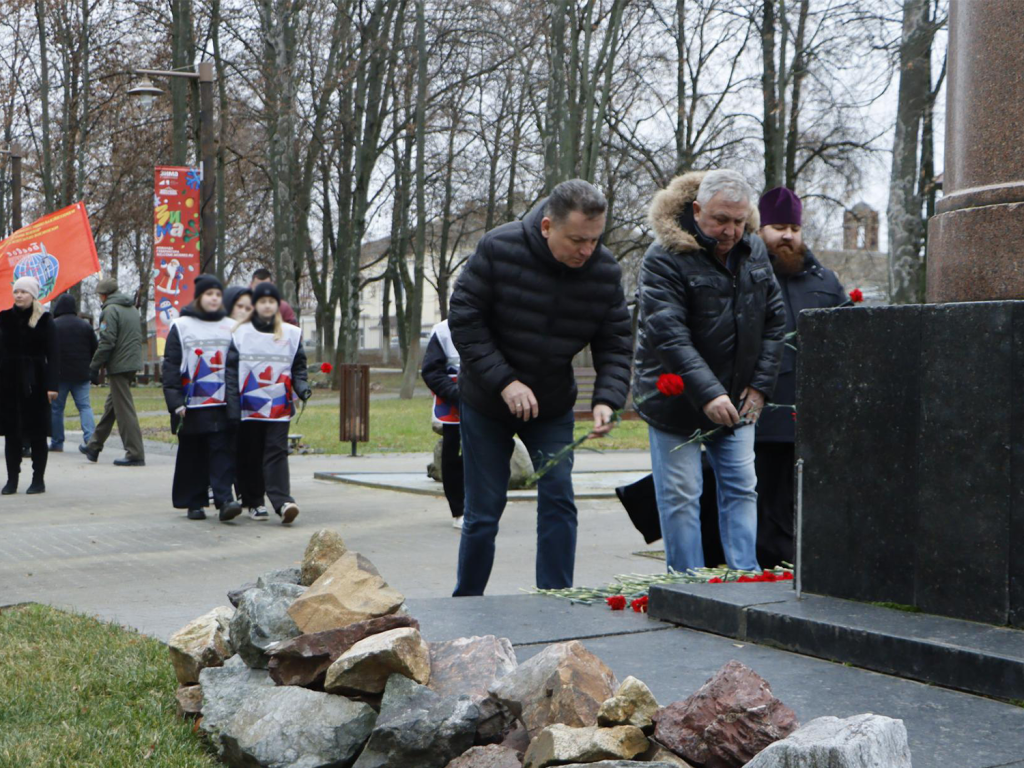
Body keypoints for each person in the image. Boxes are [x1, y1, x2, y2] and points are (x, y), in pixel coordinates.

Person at [448, 178, 632, 596]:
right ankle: (467, 600)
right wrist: (505, 381)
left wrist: (607, 398)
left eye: (594, 239)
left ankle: (555, 599)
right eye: (577, 240)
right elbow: (465, 318)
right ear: (548, 226)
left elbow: (616, 342)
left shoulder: (603, 271)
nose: (587, 250)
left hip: (549, 404)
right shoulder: (499, 248)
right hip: (488, 401)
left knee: (559, 498)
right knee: (484, 509)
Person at [634, 169, 786, 573]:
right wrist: (708, 393)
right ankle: (687, 583)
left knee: (742, 487)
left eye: (739, 221)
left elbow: (775, 321)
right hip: (677, 399)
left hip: (739, 396)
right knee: (682, 494)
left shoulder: (754, 250)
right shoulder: (664, 257)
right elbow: (669, 336)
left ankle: (743, 577)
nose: (731, 231)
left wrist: (760, 386)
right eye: (720, 220)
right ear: (697, 210)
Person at [754, 187, 849, 567]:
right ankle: (765, 572)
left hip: (814, 415)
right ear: (760, 229)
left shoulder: (824, 280)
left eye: (793, 226)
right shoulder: (748, 274)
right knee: (767, 501)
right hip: (764, 414)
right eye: (778, 226)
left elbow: (849, 336)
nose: (788, 236)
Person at [225, 282, 310, 524]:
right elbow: (231, 372)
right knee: (250, 454)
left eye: (272, 301)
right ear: (255, 305)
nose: (267, 305)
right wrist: (232, 405)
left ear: (277, 305)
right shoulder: (240, 333)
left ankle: (283, 501)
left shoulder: (291, 334)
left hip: (279, 407)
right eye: (262, 301)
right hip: (248, 408)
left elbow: (298, 366)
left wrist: (301, 387)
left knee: (277, 452)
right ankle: (254, 501)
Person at [162, 275, 243, 522]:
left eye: (218, 294)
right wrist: (175, 402)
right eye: (209, 294)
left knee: (221, 450)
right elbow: (171, 366)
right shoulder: (181, 325)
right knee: (193, 453)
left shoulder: (231, 325)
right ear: (199, 297)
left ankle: (224, 500)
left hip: (222, 401)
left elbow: (239, 363)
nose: (214, 298)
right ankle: (194, 502)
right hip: (192, 403)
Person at [0, 277, 59, 494]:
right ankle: (12, 480)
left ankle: (38, 480)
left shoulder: (44, 320)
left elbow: (53, 355)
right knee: (11, 434)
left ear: (33, 294)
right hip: (8, 383)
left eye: (24, 292)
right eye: (16, 291)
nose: (19, 295)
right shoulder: (4, 318)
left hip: (36, 383)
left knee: (37, 433)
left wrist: (52, 386)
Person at [81, 277, 146, 466]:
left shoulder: (110, 310)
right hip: (132, 362)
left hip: (119, 364)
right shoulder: (131, 308)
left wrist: (94, 366)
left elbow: (107, 341)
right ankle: (94, 446)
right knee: (113, 406)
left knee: (124, 410)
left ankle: (135, 453)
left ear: (104, 295)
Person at [223, 285, 267, 519]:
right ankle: (227, 495)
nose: (244, 311)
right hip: (226, 401)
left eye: (249, 308)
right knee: (228, 451)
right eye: (239, 306)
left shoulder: (259, 333)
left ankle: (255, 499)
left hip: (254, 402)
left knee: (252, 451)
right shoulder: (221, 333)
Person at [421, 318, 464, 529]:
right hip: (454, 404)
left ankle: (483, 506)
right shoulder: (442, 331)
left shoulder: (497, 322)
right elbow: (431, 370)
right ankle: (459, 510)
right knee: (452, 454)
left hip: (490, 399)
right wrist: (455, 394)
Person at [49, 293, 97, 453]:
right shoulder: (85, 326)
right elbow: (94, 348)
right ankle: (90, 439)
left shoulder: (53, 325)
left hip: (59, 374)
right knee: (84, 406)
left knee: (56, 409)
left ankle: (57, 442)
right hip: (81, 374)